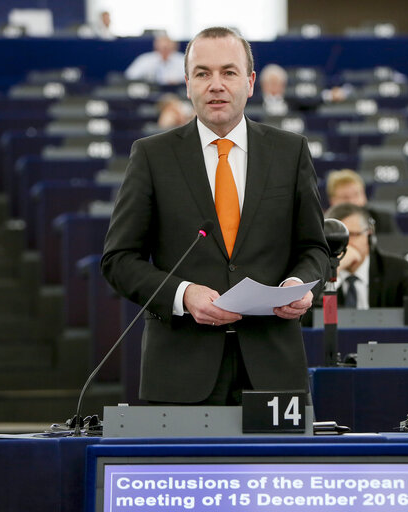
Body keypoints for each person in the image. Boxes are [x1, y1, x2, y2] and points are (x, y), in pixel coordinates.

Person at [102, 26, 330, 405]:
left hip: (273, 372)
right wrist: (183, 294)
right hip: (179, 371)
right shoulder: (151, 157)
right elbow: (119, 260)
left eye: (229, 72)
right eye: (203, 73)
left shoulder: (289, 152)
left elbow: (314, 248)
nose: (216, 85)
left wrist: (299, 283)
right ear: (187, 82)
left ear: (250, 82)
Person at [325, 203, 408, 308]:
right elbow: (310, 319)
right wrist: (334, 271)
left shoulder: (397, 269)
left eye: (352, 235)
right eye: (337, 237)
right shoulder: (317, 272)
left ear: (369, 236)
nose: (346, 243)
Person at [325, 169, 397, 234]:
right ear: (332, 201)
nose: (352, 201)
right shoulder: (324, 226)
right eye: (345, 197)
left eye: (356, 195)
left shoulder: (383, 221)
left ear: (364, 196)